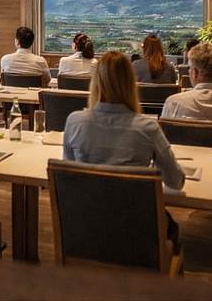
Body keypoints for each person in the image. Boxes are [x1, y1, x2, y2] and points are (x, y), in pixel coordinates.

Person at [63, 51, 185, 244]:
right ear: (131, 84)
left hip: (86, 227)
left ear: (95, 83)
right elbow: (175, 182)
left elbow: (69, 175)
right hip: (137, 232)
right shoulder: (148, 128)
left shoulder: (74, 121)